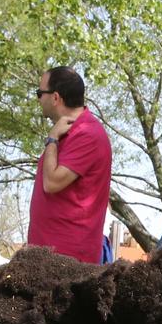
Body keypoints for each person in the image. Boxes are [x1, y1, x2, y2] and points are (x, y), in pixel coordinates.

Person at [27, 66, 112, 263]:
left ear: (55, 98)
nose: (38, 99)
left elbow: (52, 183)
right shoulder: (71, 132)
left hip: (67, 264)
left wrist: (51, 140)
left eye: (40, 93)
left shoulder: (87, 134)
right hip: (50, 259)